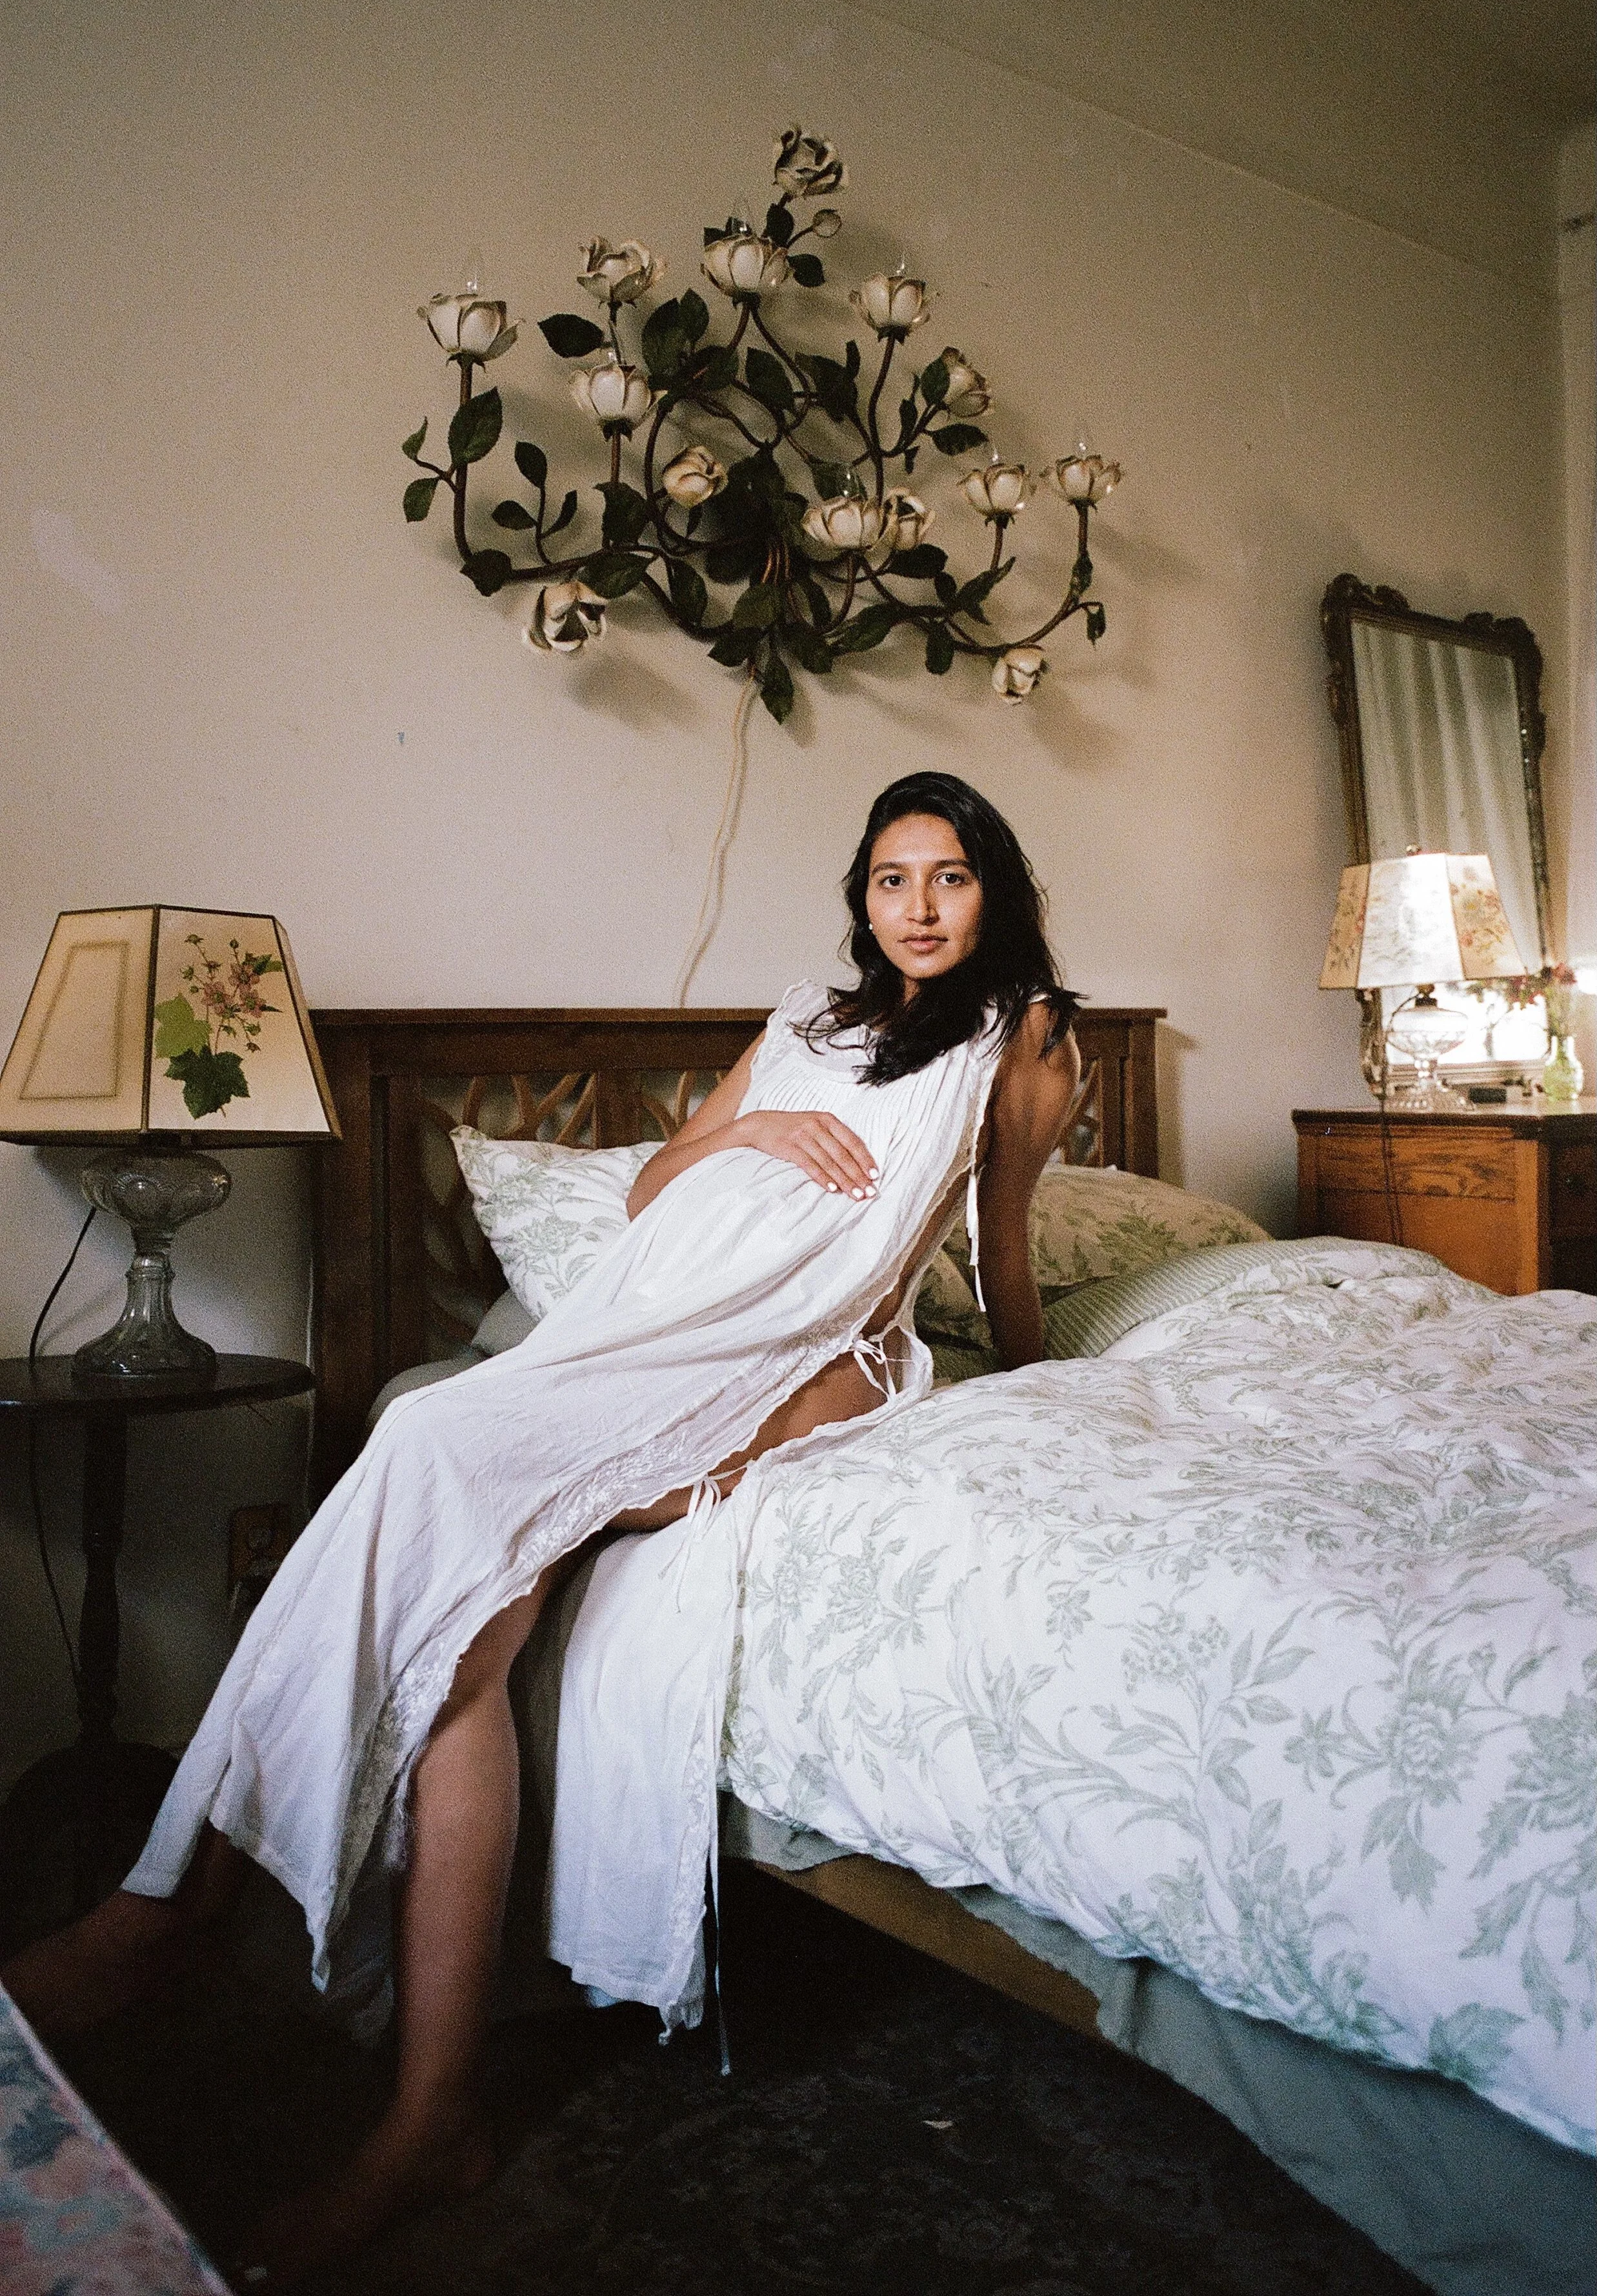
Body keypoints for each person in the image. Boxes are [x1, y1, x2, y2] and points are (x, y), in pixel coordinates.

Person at [4, 770, 1081, 2284]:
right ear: (859, 898)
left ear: (994, 890)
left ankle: (164, 1904)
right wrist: (751, 1140)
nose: (916, 906)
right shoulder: (804, 1025)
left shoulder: (1020, 1034)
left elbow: (1005, 1233)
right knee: (465, 1627)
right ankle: (423, 2110)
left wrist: (1042, 1382)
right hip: (643, 1325)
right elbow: (652, 1186)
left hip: (802, 1354)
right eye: (890, 879)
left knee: (429, 1431)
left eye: (949, 877)